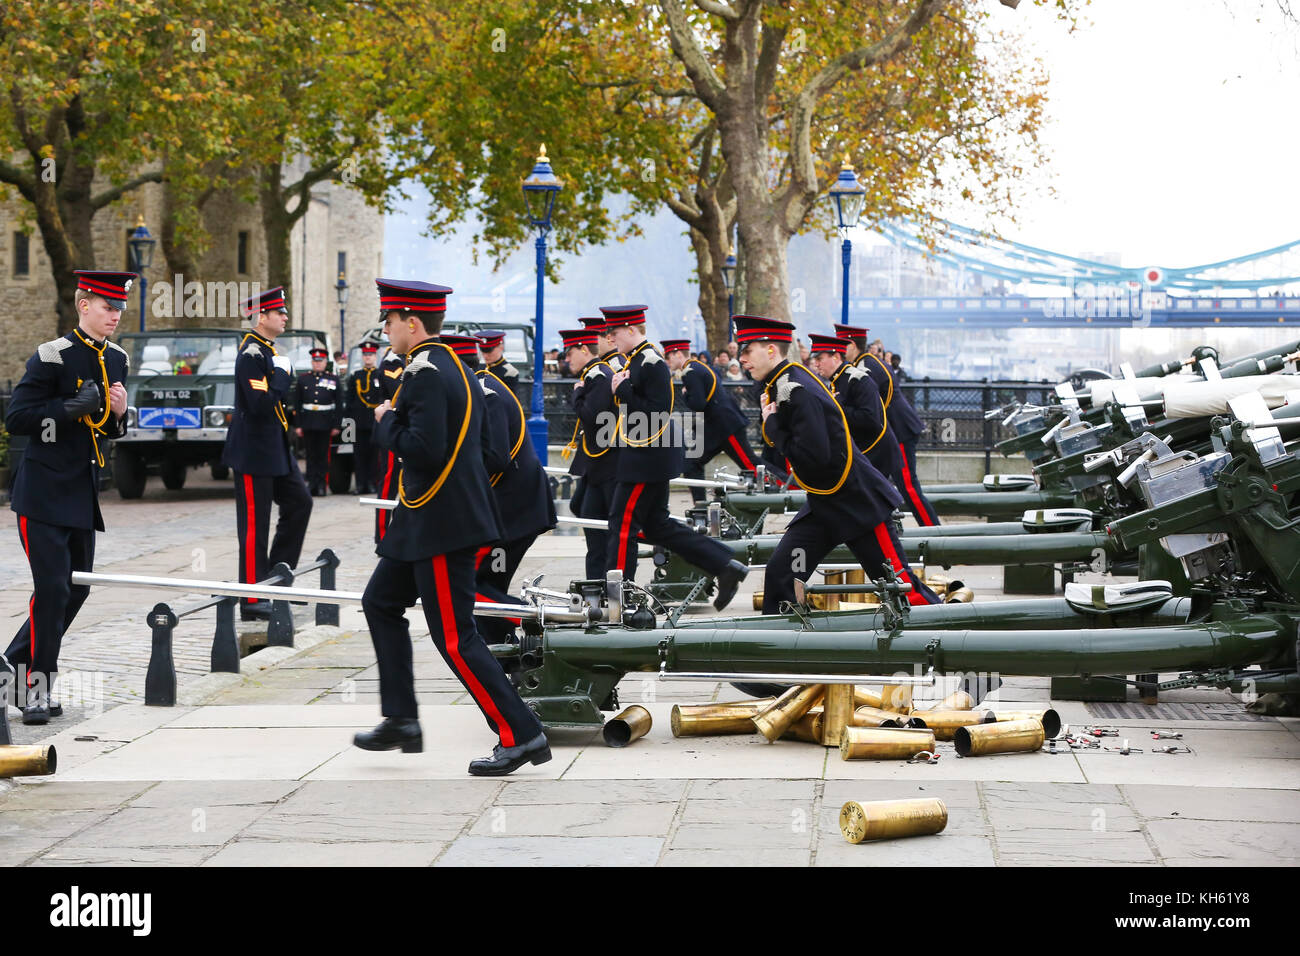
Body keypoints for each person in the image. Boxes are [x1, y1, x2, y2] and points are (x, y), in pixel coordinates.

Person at [355, 279, 549, 776]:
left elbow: (424, 447)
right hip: (425, 520)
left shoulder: (423, 373)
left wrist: (385, 419)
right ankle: (401, 717)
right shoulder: (458, 369)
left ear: (411, 322)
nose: (386, 329)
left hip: (441, 523)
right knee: (379, 602)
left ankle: (521, 734)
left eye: (390, 321)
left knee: (456, 638)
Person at [734, 315, 940, 613]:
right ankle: (781, 650)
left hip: (859, 505)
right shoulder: (782, 384)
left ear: (770, 350)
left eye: (747, 350)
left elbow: (813, 455)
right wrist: (775, 426)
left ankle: (955, 636)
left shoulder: (795, 388)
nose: (741, 359)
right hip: (826, 505)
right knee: (783, 572)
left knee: (900, 587)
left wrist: (774, 426)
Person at [3, 271, 132, 723]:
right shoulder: (52, 356)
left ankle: (11, 669)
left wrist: (118, 416)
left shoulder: (116, 358)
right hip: (41, 491)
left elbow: (111, 431)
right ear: (83, 306)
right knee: (52, 589)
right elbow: (17, 418)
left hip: (81, 490)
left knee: (75, 590)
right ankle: (35, 688)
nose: (114, 315)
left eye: (118, 308)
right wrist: (67, 408)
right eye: (107, 307)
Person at [602, 304, 748, 610]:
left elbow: (655, 413)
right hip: (646, 455)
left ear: (631, 330)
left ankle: (618, 597)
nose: (612, 339)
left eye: (615, 332)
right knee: (657, 526)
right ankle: (723, 564)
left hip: (647, 457)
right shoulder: (638, 360)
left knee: (622, 524)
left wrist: (623, 388)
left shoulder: (650, 361)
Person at [442, 333, 556, 642]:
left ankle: (543, 626)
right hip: (510, 511)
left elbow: (495, 458)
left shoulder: (484, 393)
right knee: (486, 586)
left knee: (469, 586)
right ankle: (509, 654)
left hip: (512, 513)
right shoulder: (480, 388)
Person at [222, 286, 313, 621]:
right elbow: (260, 405)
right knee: (254, 526)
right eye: (280, 313)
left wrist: (278, 375)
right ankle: (251, 596)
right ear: (262, 317)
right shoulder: (252, 354)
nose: (286, 317)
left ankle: (277, 576)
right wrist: (281, 378)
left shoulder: (267, 351)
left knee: (300, 501)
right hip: (253, 450)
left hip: (275, 446)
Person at [836, 323, 939, 526]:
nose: (838, 351)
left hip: (898, 430)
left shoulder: (865, 367)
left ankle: (934, 532)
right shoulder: (867, 363)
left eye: (841, 345)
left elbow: (874, 406)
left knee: (908, 487)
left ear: (851, 344)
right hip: (891, 431)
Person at [807, 332, 910, 521]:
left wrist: (839, 408)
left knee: (875, 507)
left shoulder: (858, 379)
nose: (817, 364)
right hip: (864, 454)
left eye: (820, 358)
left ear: (836, 357)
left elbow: (870, 419)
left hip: (877, 452)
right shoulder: (839, 381)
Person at [662, 338, 762, 504]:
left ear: (678, 354)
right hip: (716, 426)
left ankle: (788, 485)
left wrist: (686, 394)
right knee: (691, 463)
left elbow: (698, 403)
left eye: (669, 357)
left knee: (750, 464)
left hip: (725, 425)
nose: (667, 361)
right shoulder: (697, 367)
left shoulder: (690, 371)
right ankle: (700, 507)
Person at [561, 323, 619, 579]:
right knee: (585, 513)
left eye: (569, 353)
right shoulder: (594, 373)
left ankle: (602, 582)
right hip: (597, 462)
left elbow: (591, 415)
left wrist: (576, 395)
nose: (566, 359)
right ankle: (596, 582)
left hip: (606, 462)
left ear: (584, 349)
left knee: (598, 525)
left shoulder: (597, 375)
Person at [293, 347, 341, 496]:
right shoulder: (303, 379)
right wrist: (298, 425)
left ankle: (321, 485)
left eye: (320, 361)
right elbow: (296, 404)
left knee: (322, 456)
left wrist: (336, 425)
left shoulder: (333, 379)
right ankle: (311, 484)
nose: (318, 364)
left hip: (325, 422)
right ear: (312, 362)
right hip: (308, 422)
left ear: (326, 362)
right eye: (315, 361)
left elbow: (339, 404)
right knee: (310, 455)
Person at [374, 343, 405, 542]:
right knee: (389, 483)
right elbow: (394, 394)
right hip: (396, 427)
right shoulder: (393, 363)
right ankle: (383, 535)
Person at [344, 343, 383, 494]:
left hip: (374, 421)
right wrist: (348, 424)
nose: (368, 357)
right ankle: (360, 484)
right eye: (365, 355)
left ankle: (372, 483)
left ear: (375, 357)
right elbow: (350, 399)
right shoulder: (356, 376)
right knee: (359, 455)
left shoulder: (380, 374)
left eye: (371, 355)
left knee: (374, 455)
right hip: (358, 421)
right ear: (362, 357)